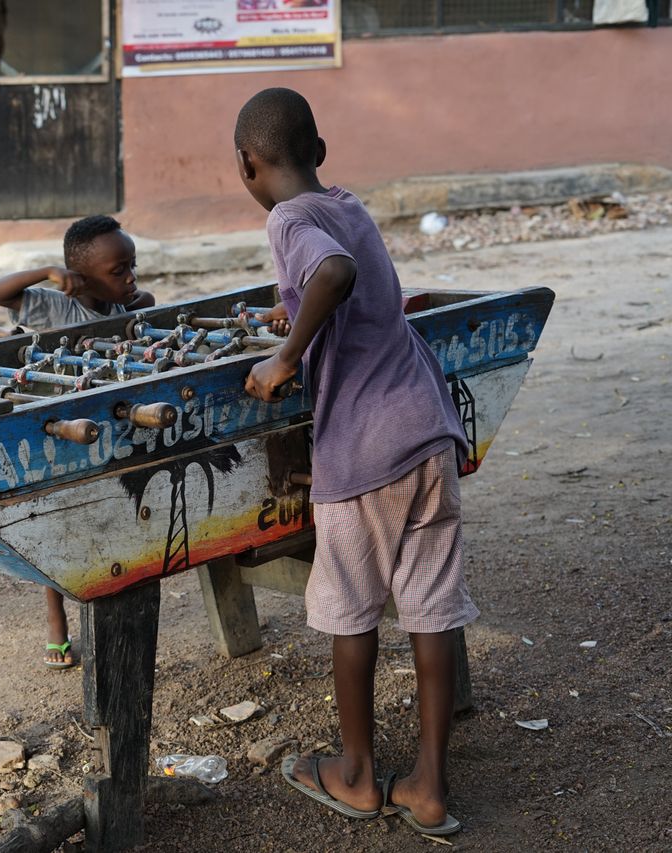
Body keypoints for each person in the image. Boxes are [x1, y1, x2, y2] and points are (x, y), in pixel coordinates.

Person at [236, 88, 473, 836]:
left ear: (248, 165)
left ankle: (359, 771)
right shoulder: (347, 202)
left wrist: (285, 352)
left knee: (351, 607)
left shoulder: (288, 217)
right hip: (426, 427)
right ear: (322, 152)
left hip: (364, 446)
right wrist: (294, 303)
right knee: (430, 607)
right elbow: (355, 280)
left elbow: (333, 274)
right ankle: (429, 785)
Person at [0, 215, 154, 668]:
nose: (131, 277)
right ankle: (55, 617)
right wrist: (47, 273)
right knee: (55, 525)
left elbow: (145, 303)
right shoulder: (56, 307)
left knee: (101, 511)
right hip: (55, 429)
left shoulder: (123, 306)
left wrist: (134, 298)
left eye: (131, 265)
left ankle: (101, 594)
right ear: (80, 278)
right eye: (118, 271)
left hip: (102, 428)